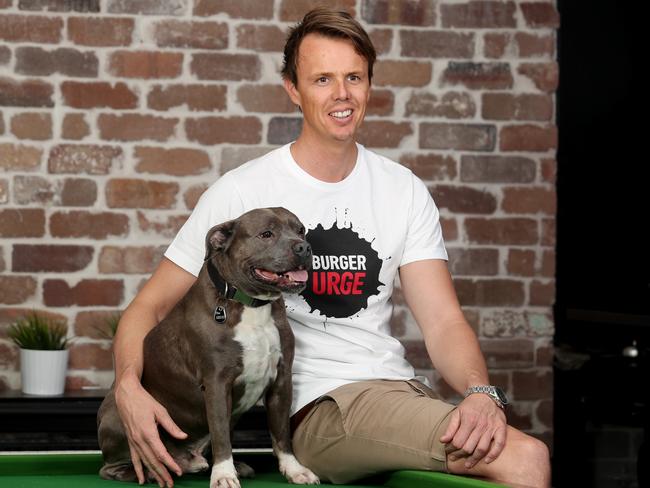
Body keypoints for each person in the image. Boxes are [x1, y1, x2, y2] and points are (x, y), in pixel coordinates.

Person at [112, 7, 550, 488]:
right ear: (293, 90)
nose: (342, 94)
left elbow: (443, 322)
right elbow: (149, 307)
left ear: (368, 85)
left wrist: (481, 391)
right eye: (322, 79)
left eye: (354, 77)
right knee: (526, 459)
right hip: (323, 405)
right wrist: (128, 387)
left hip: (400, 392)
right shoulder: (242, 192)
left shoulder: (402, 189)